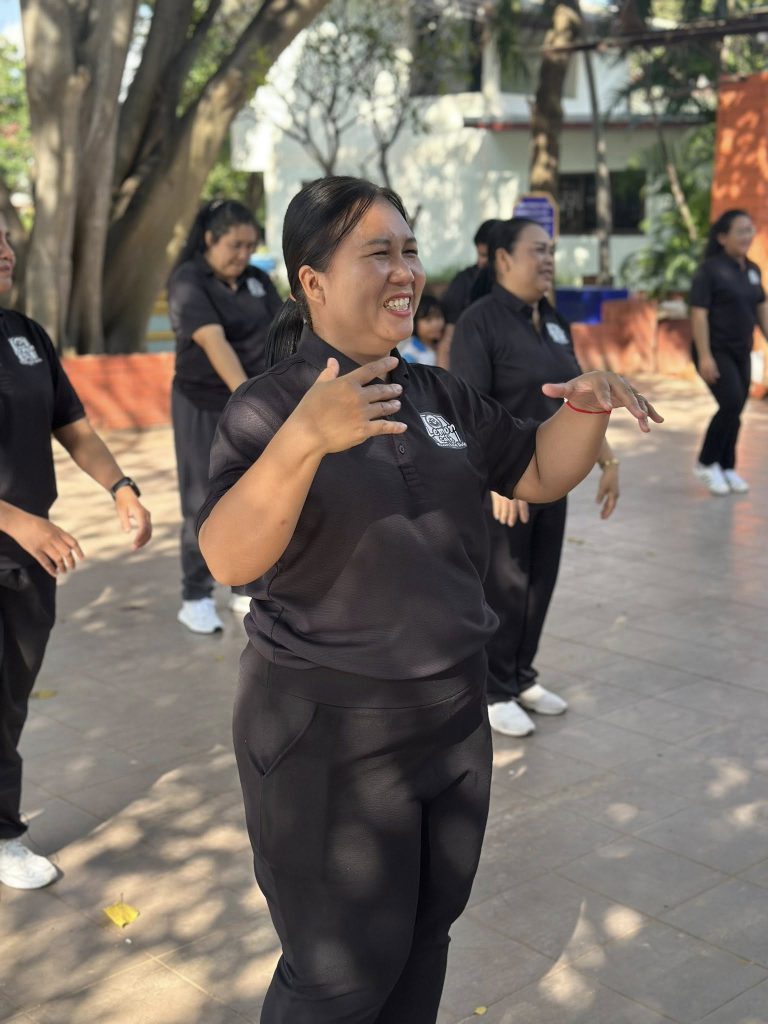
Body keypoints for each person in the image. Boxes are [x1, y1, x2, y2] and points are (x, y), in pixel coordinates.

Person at [196, 176, 660, 1024]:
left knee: (422, 941)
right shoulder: (267, 407)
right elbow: (227, 557)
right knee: (338, 977)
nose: (405, 270)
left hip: (450, 719)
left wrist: (586, 409)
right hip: (327, 732)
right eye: (378, 252)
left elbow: (534, 468)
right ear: (313, 282)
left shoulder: (436, 395)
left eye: (409, 250)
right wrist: (304, 439)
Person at [0, 213, 152, 890]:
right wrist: (22, 523)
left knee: (10, 698)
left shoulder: (25, 335)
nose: (6, 250)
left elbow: (73, 426)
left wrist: (121, 487)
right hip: (22, 538)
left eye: (6, 238)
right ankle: (2, 834)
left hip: (29, 561)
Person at [451, 217, 622, 737]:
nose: (548, 260)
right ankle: (494, 690)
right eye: (537, 251)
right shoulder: (479, 322)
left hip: (555, 474)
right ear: (504, 259)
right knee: (504, 584)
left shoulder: (552, 320)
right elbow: (469, 408)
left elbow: (579, 400)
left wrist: (607, 460)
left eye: (551, 251)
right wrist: (495, 480)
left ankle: (522, 676)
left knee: (539, 581)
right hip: (506, 480)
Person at [168, 199, 283, 634]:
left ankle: (244, 583)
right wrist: (251, 401)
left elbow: (283, 332)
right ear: (210, 239)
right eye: (235, 245)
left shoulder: (256, 281)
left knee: (253, 492)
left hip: (253, 402)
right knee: (202, 496)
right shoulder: (189, 280)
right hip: (204, 403)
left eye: (251, 246)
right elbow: (215, 344)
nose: (244, 255)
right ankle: (195, 595)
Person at [689, 209, 768, 496]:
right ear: (723, 237)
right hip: (714, 350)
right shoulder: (709, 271)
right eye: (741, 231)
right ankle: (705, 462)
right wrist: (705, 356)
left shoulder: (752, 270)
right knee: (731, 401)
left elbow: (761, 309)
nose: (747, 236)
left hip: (741, 351)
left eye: (750, 230)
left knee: (737, 407)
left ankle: (727, 466)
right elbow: (698, 314)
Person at [437, 218, 500, 368]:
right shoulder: (463, 282)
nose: (481, 262)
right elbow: (448, 341)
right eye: (480, 254)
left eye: (486, 256)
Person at [397, 293, 445, 365]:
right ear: (414, 322)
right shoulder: (410, 355)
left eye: (438, 317)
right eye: (428, 320)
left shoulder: (441, 345)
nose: (436, 324)